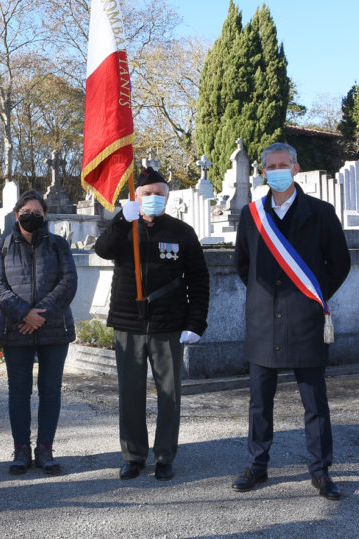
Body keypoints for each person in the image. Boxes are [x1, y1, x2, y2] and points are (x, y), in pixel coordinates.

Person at [233, 142, 351, 500]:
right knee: (259, 402)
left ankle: (320, 470)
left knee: (314, 401)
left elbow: (339, 263)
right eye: (270, 166)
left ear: (296, 168)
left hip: (306, 320)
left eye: (283, 164)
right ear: (263, 171)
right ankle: (258, 465)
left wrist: (311, 295)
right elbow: (243, 265)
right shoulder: (251, 214)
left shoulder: (321, 212)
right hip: (264, 322)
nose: (277, 170)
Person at [94, 167, 209, 482]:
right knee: (130, 394)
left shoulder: (181, 232)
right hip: (129, 323)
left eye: (160, 194)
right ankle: (133, 455)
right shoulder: (125, 227)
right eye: (147, 194)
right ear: (135, 196)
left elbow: (198, 279)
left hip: (168, 324)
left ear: (167, 197)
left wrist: (196, 321)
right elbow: (102, 250)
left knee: (169, 394)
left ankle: (164, 456)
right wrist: (121, 219)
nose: (154, 199)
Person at [0, 190, 78, 475]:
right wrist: (23, 313)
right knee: (19, 392)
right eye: (26, 212)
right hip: (16, 330)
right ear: (16, 215)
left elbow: (68, 282)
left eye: (38, 213)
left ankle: (45, 449)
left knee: (50, 392)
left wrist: (40, 316)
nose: (32, 216)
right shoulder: (1, 246)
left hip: (54, 329)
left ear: (46, 216)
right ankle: (21, 450)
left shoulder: (58, 245)